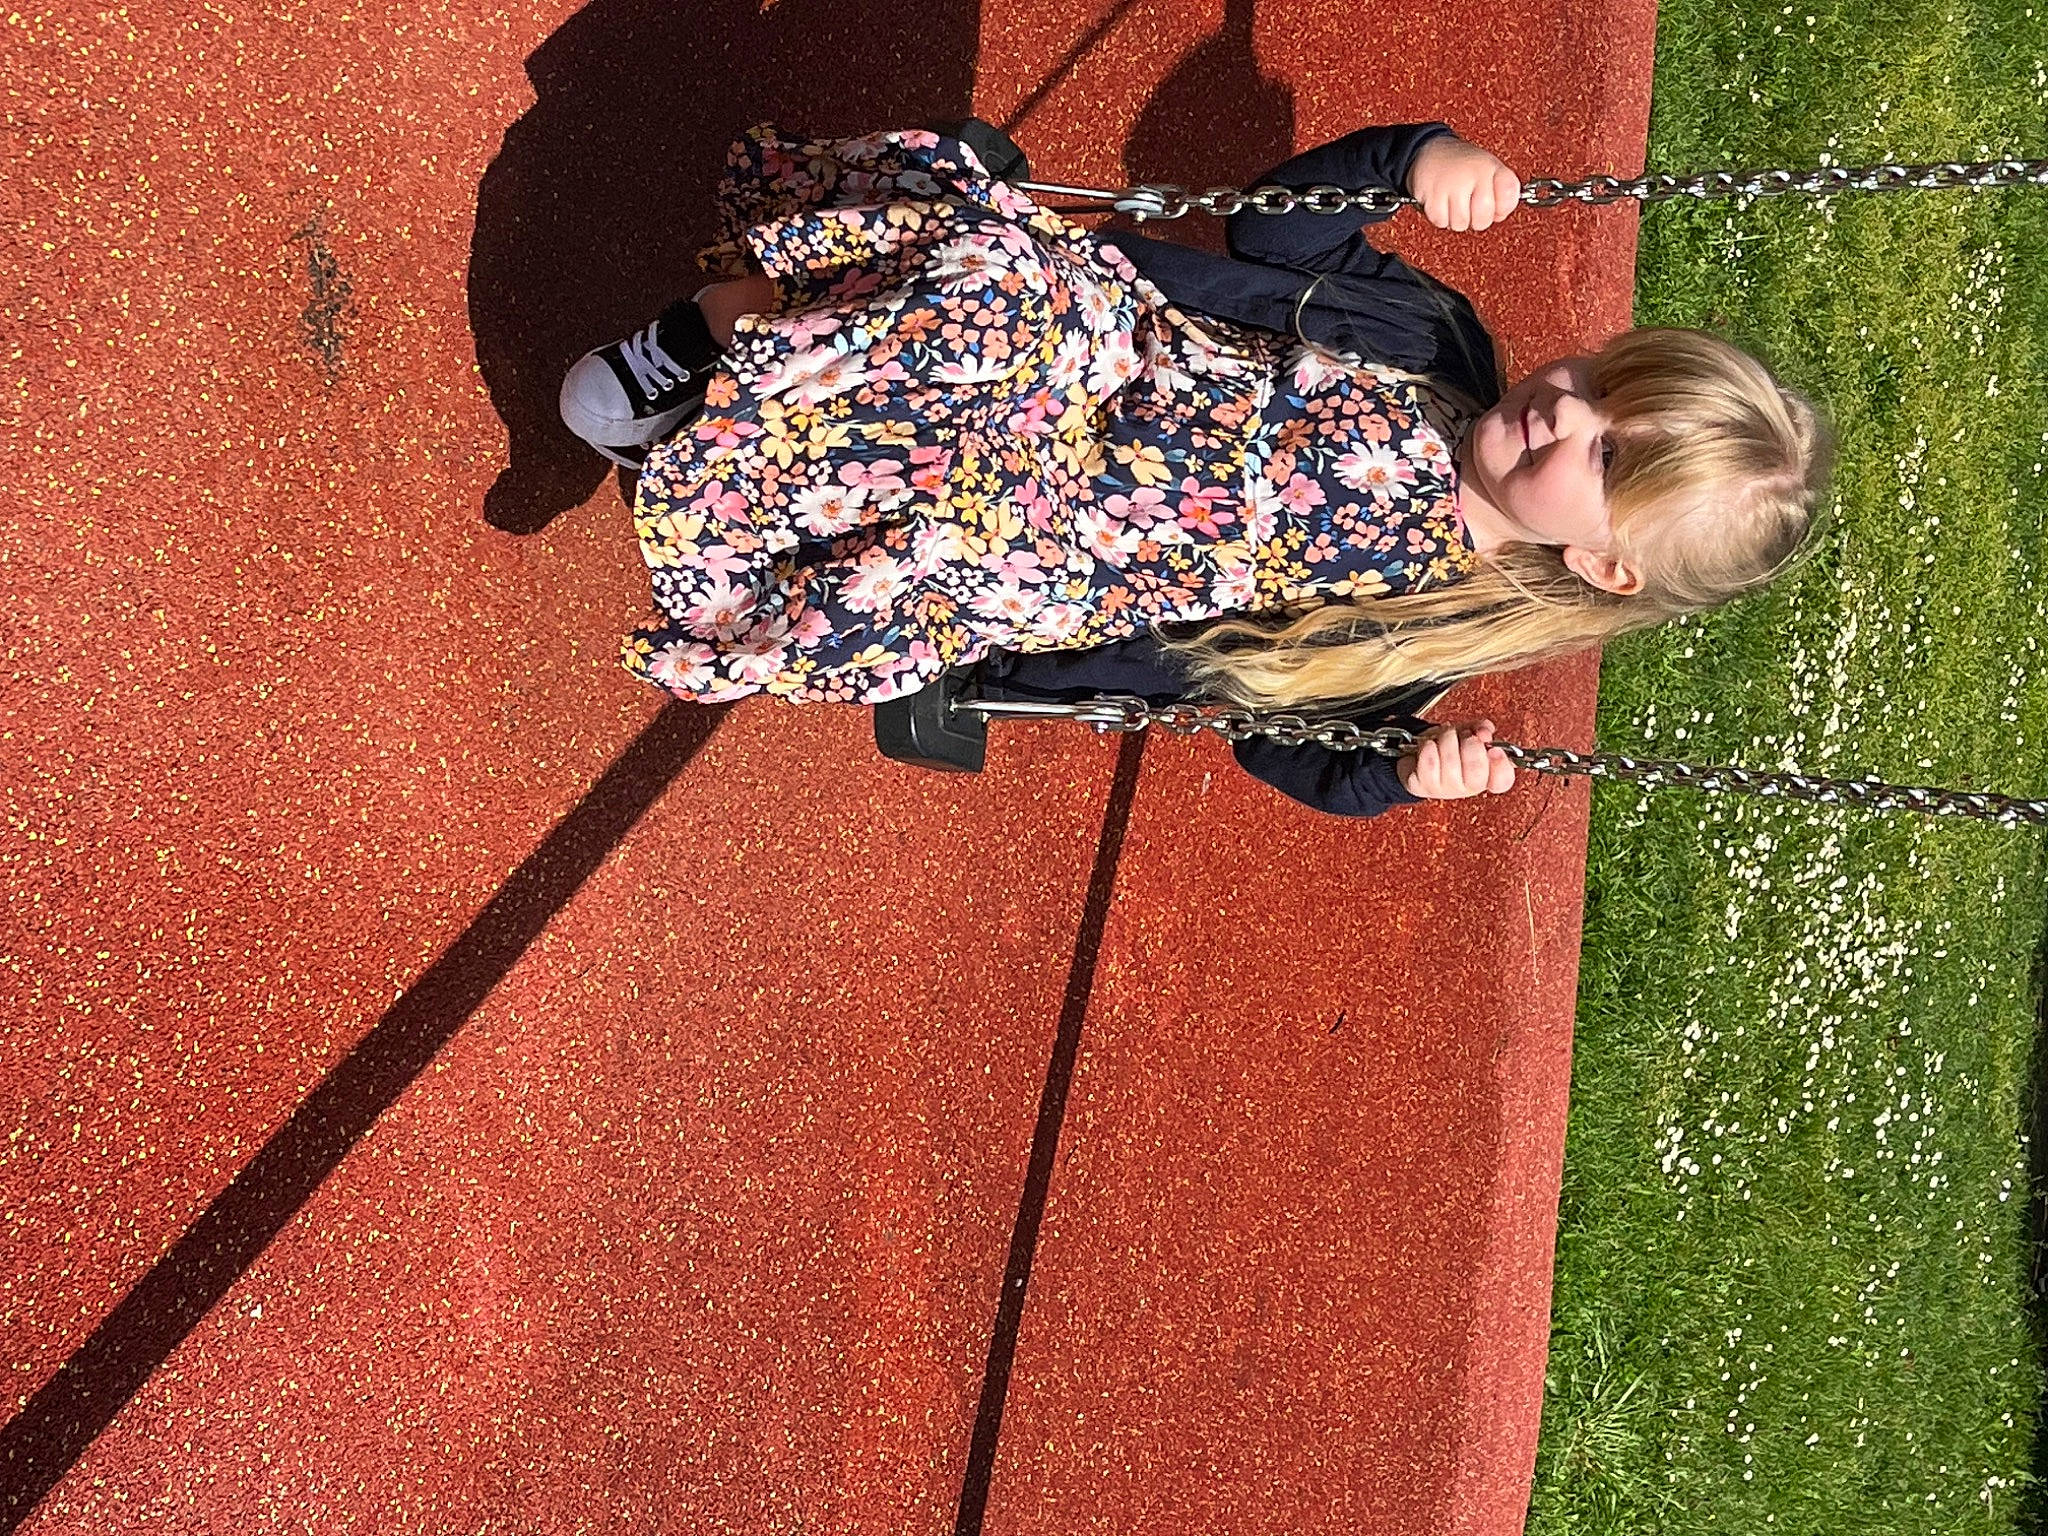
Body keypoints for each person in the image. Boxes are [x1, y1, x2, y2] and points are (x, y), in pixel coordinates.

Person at [559, 119, 1832, 817]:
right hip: (1101, 357)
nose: (1561, 407)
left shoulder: (1428, 632)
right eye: (1596, 379)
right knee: (1000, 297)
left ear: (1605, 566)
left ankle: (726, 452)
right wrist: (1409, 162)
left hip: (1070, 557)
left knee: (964, 530)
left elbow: (1285, 743)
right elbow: (1275, 222)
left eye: (1601, 453)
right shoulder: (1433, 342)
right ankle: (706, 345)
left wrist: (1396, 773)